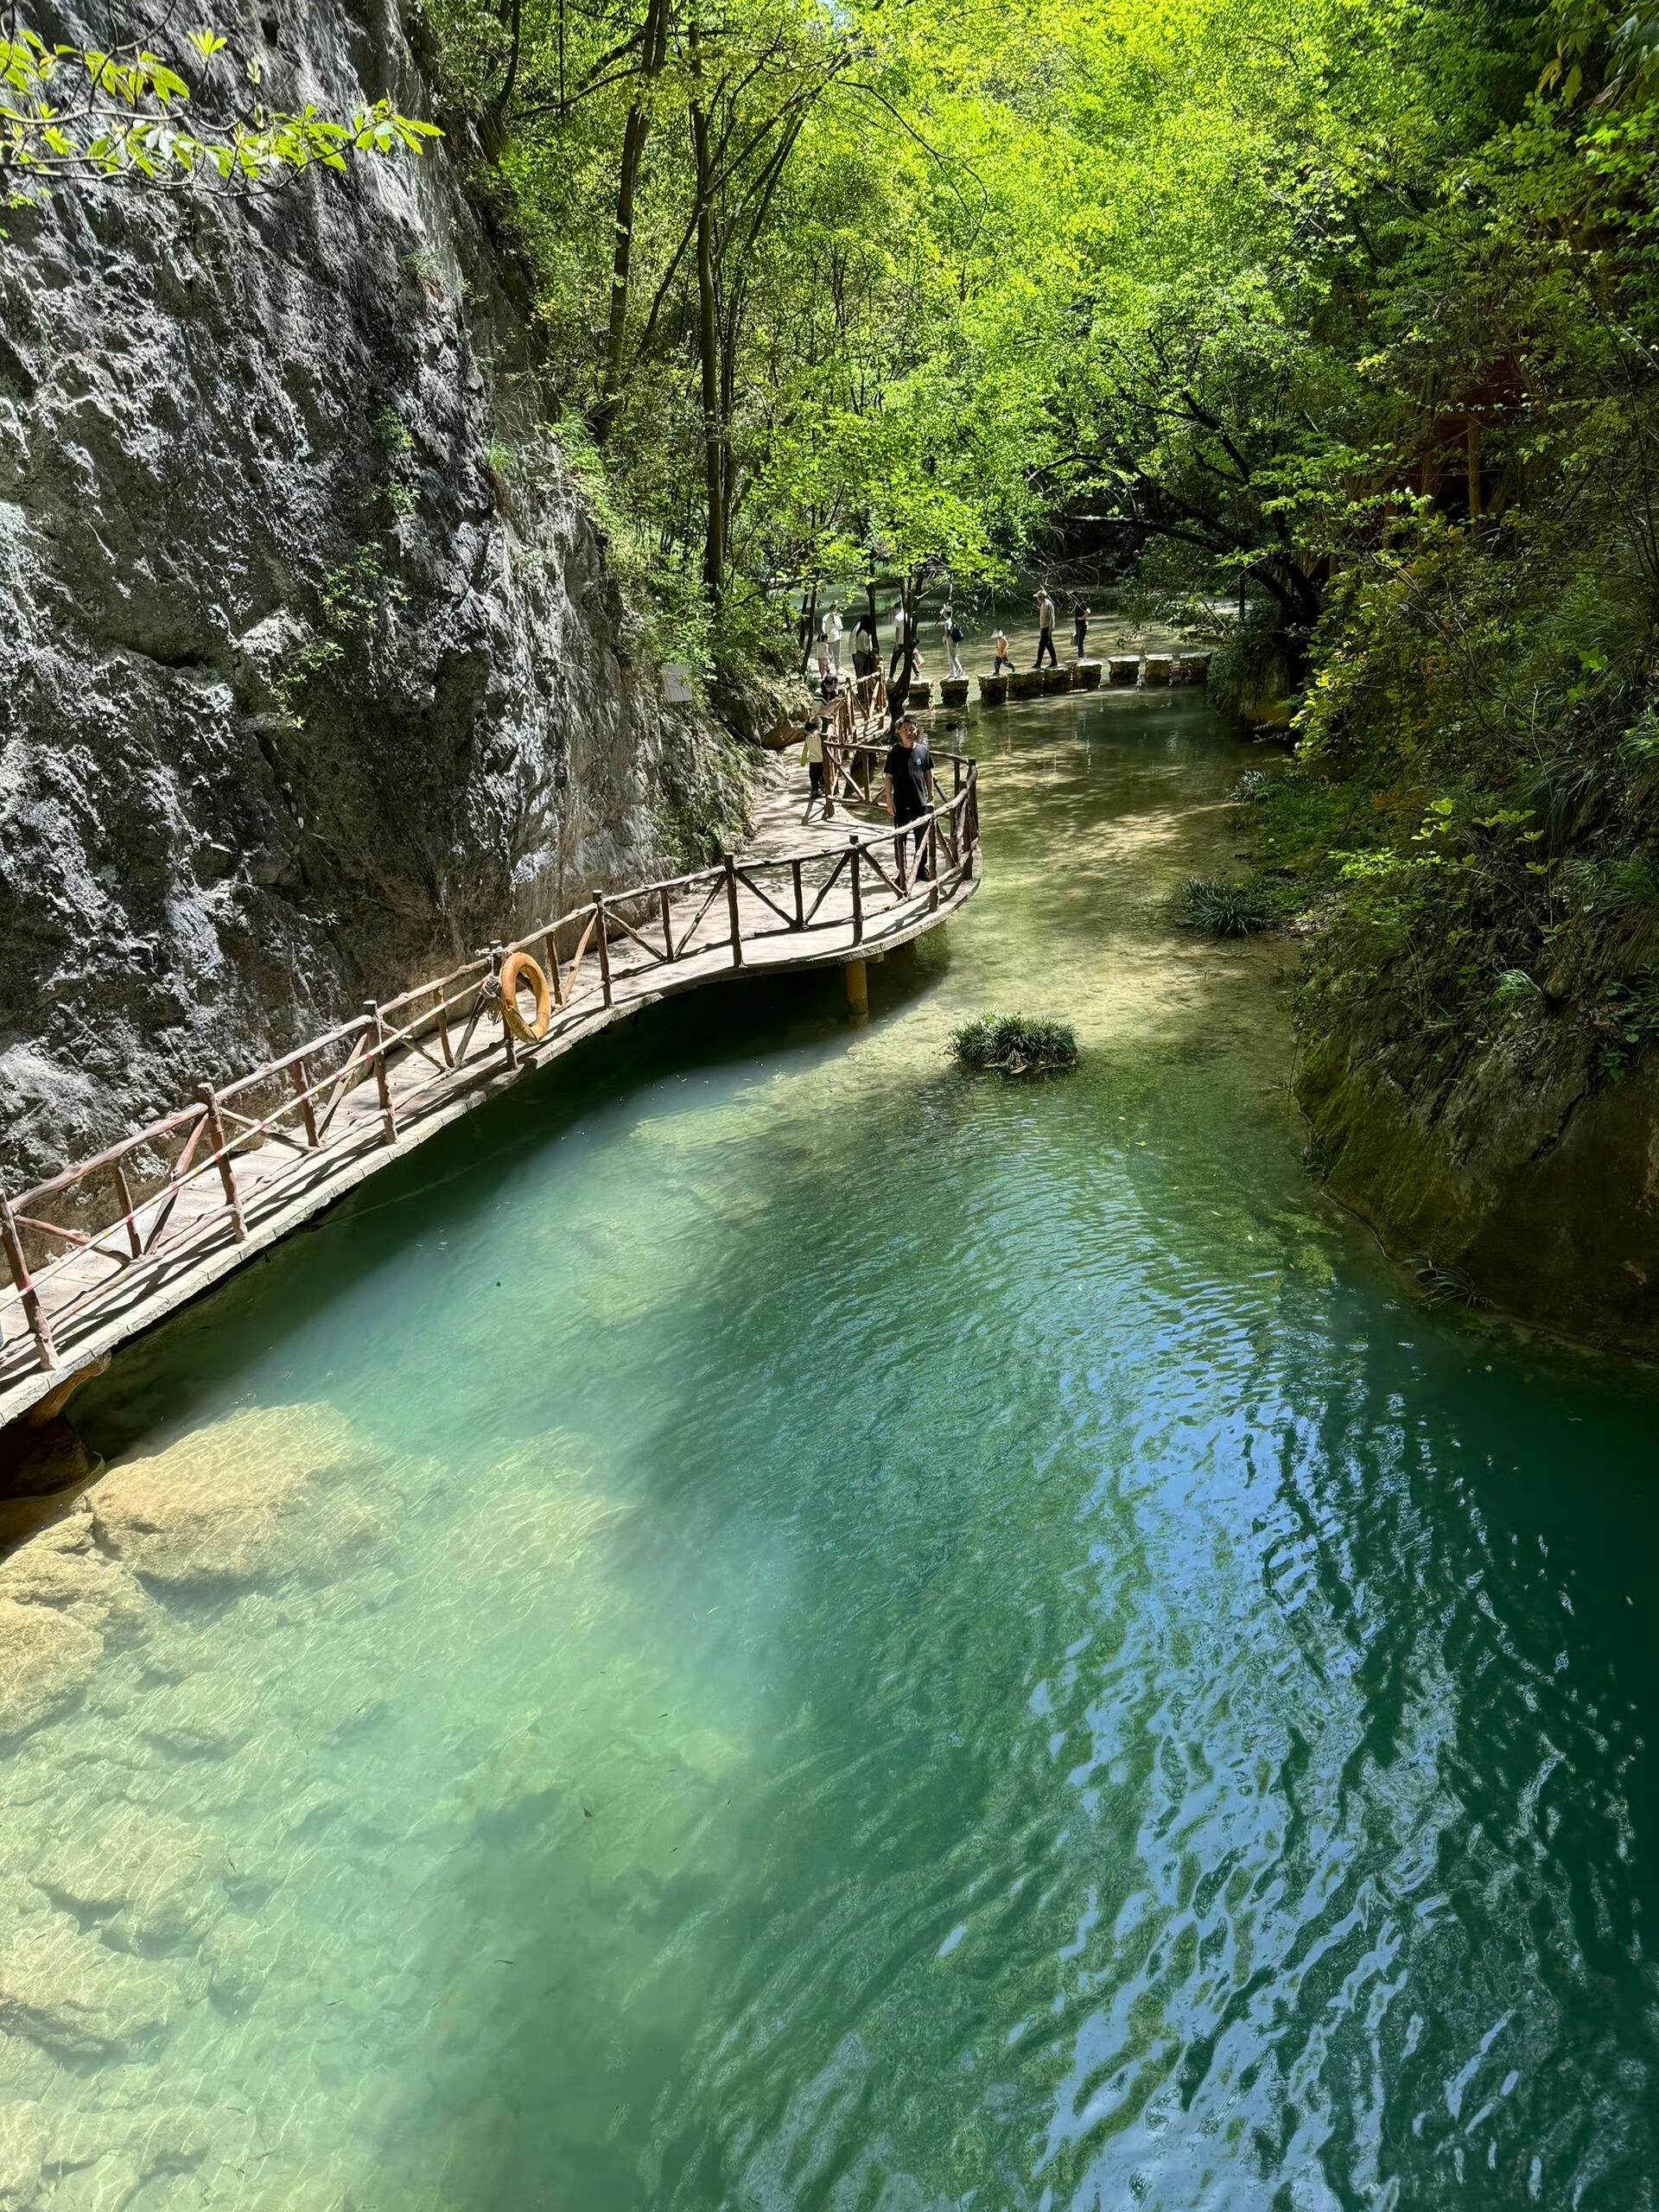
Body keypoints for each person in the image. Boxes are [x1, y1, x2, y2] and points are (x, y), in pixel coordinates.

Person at [882, 715, 934, 880]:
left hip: (920, 802)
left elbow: (928, 774)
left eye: (912, 729)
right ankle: (902, 873)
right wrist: (889, 801)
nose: (909, 732)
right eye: (905, 729)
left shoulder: (923, 750)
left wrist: (931, 797)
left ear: (916, 730)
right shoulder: (894, 753)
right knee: (900, 839)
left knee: (922, 838)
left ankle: (920, 869)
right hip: (900, 804)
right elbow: (888, 778)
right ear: (899, 732)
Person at [852, 607, 879, 681]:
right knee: (862, 676)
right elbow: (864, 647)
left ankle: (860, 690)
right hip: (862, 656)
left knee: (859, 674)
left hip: (857, 655)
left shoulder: (859, 632)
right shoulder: (864, 634)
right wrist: (871, 651)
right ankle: (862, 691)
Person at [888, 601, 912, 683]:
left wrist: (896, 643)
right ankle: (918, 674)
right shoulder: (907, 616)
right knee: (910, 658)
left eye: (895, 610)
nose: (895, 611)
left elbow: (897, 631)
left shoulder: (898, 617)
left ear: (897, 608)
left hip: (901, 642)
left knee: (894, 660)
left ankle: (891, 677)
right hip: (907, 641)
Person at [941, 605, 966, 679]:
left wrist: (945, 639)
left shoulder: (947, 622)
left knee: (953, 657)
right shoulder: (951, 620)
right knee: (950, 656)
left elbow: (947, 632)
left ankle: (960, 672)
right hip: (953, 640)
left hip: (951, 640)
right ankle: (952, 672)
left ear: (946, 614)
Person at [1034, 588, 1057, 670]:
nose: (1037, 599)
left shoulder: (1049, 604)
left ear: (1041, 597)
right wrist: (1041, 629)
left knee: (1043, 646)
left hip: (1047, 628)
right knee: (1047, 645)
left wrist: (1050, 630)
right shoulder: (1043, 605)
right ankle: (1041, 663)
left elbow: (1051, 618)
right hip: (1043, 628)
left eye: (1038, 598)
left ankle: (1040, 663)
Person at [821, 606, 843, 676]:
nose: (834, 611)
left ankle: (838, 670)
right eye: (832, 609)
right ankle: (827, 669)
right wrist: (825, 634)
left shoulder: (837, 618)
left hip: (837, 639)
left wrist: (840, 636)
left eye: (835, 610)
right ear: (830, 610)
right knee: (828, 656)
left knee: (837, 655)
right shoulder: (825, 617)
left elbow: (840, 628)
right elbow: (823, 627)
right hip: (829, 639)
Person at [1071, 595, 1090, 660]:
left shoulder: (1081, 604)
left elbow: (1088, 612)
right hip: (1078, 625)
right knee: (1079, 642)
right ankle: (1083, 656)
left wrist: (1082, 618)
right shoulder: (1076, 604)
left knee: (1080, 642)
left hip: (1082, 626)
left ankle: (1080, 657)